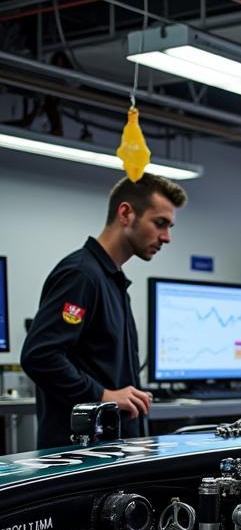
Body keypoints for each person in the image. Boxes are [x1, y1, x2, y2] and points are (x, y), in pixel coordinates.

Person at [22, 173, 187, 449]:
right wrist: (102, 394)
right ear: (126, 213)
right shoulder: (81, 275)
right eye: (160, 224)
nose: (166, 237)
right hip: (80, 457)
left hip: (111, 449)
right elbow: (40, 355)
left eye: (169, 226)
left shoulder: (111, 279)